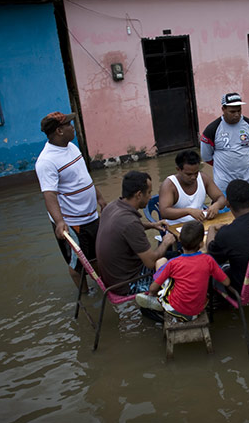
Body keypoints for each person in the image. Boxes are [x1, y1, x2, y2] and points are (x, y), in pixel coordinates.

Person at [35, 111, 107, 292]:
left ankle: (103, 288)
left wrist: (99, 198)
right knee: (78, 264)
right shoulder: (46, 161)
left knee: (97, 255)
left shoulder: (72, 147)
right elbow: (49, 195)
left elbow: (84, 177)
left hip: (90, 215)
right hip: (72, 222)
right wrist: (60, 222)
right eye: (69, 125)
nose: (72, 127)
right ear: (59, 131)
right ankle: (85, 295)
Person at [96, 171, 176, 299]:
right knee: (181, 266)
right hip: (128, 284)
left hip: (112, 277)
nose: (150, 197)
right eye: (149, 193)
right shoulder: (130, 223)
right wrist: (166, 241)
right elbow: (150, 262)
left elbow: (125, 228)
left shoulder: (112, 206)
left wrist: (151, 225)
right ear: (139, 195)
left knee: (173, 256)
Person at [136, 220, 229, 321]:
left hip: (175, 310)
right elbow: (226, 282)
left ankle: (159, 300)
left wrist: (151, 292)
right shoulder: (209, 260)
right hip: (197, 310)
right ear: (201, 244)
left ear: (179, 239)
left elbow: (153, 288)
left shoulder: (173, 263)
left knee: (162, 264)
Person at [200, 92, 249, 196]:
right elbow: (206, 157)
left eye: (239, 110)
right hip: (224, 185)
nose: (236, 115)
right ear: (223, 109)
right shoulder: (212, 129)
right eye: (232, 111)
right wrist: (224, 165)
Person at [159, 150, 226, 225]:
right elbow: (164, 212)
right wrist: (189, 211)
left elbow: (221, 198)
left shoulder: (203, 178)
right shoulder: (169, 185)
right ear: (178, 170)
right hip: (177, 227)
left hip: (200, 224)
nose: (193, 177)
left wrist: (216, 205)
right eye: (189, 174)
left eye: (196, 173)